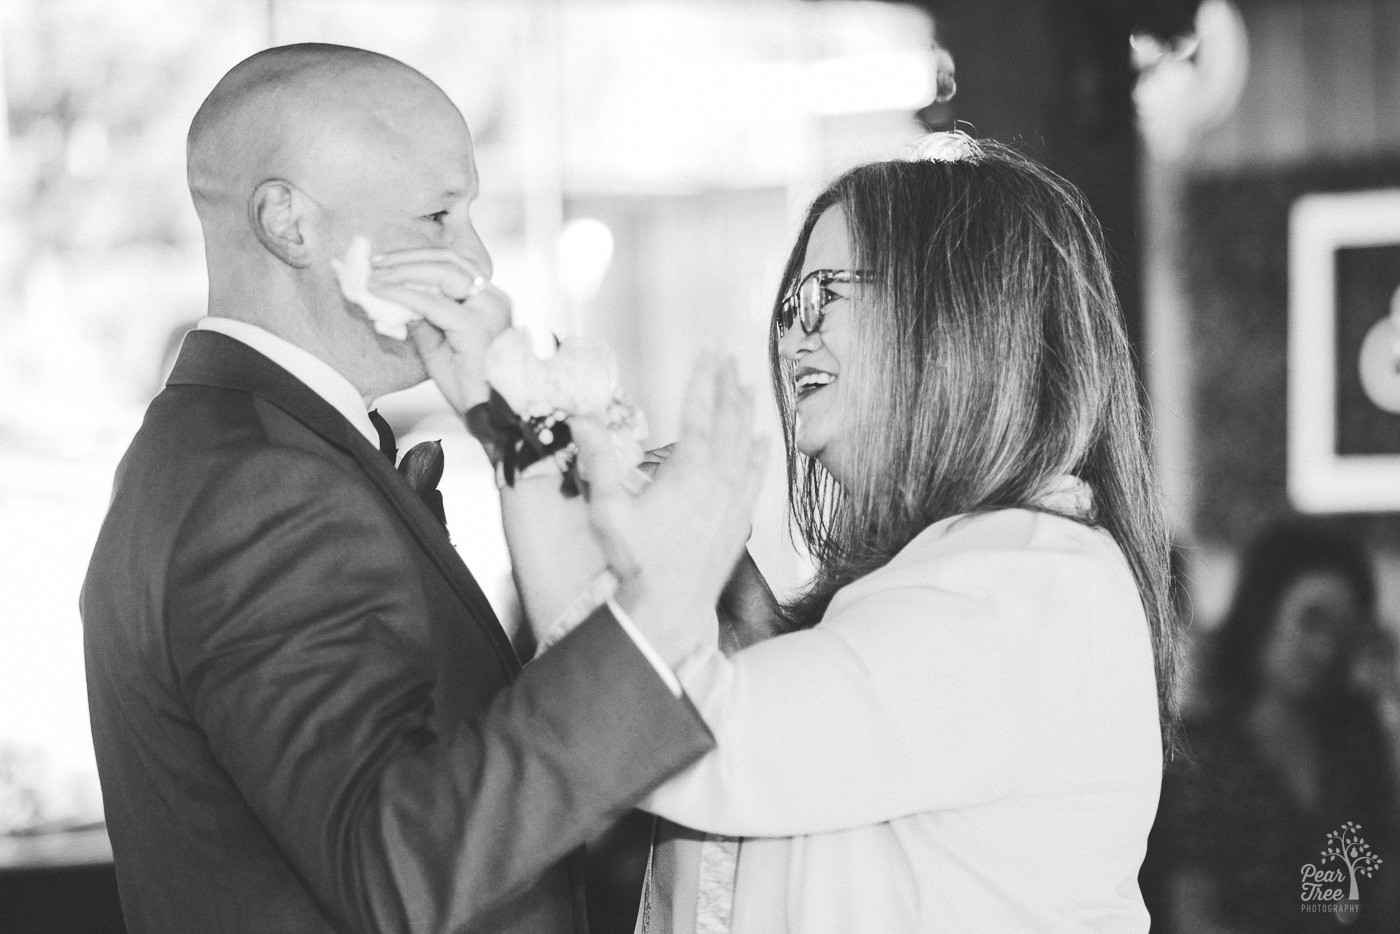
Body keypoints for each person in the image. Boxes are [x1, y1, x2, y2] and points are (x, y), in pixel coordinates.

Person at [81, 43, 766, 934]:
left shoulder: (235, 447)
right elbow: (399, 868)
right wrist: (664, 606)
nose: (476, 259)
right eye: (439, 214)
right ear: (290, 224)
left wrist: (511, 427)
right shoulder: (262, 488)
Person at [512, 132, 1180, 933]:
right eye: (792, 303)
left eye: (829, 293)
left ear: (960, 313)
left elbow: (696, 748)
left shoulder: (1018, 584)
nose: (796, 334)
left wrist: (538, 456)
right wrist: (743, 616)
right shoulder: (988, 568)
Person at [1153, 519, 1400, 933]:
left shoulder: (1360, 736)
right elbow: (1193, 916)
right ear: (1263, 613)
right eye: (1312, 620)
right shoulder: (1201, 752)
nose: (1326, 650)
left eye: (1344, 631)